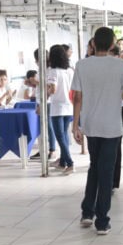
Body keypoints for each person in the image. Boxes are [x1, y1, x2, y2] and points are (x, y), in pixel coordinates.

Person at [72, 27, 123, 234]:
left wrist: (75, 125)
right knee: (106, 171)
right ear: (112, 44)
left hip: (91, 125)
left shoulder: (82, 65)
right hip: (112, 126)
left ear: (93, 44)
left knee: (94, 166)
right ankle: (102, 220)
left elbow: (78, 98)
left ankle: (87, 212)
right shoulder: (120, 65)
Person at [47, 45, 75, 173]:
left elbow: (53, 89)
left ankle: (70, 163)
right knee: (64, 135)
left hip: (57, 108)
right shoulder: (69, 71)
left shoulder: (53, 71)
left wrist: (46, 93)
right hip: (69, 107)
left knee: (60, 137)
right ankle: (63, 162)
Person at [108, 46, 123, 190]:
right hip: (106, 108)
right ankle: (107, 180)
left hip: (120, 108)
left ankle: (113, 181)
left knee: (115, 144)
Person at [30, 48, 55, 161]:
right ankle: (42, 149)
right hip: (39, 99)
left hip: (47, 101)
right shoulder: (41, 69)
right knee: (42, 127)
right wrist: (33, 84)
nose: (36, 62)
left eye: (37, 59)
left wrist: (37, 82)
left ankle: (52, 150)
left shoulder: (50, 70)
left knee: (49, 126)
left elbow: (49, 86)